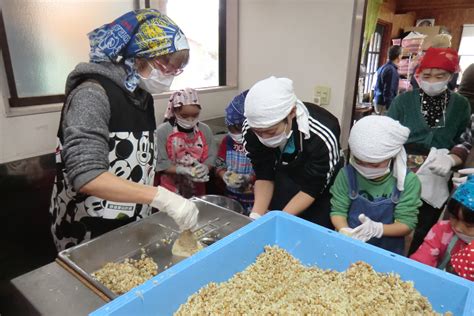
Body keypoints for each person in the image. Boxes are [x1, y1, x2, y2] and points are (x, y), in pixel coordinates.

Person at [49, 9, 198, 251]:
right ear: (140, 56)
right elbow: (87, 175)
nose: (169, 75)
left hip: (129, 222)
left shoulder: (142, 97)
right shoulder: (92, 93)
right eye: (166, 66)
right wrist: (162, 197)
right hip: (87, 228)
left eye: (176, 69)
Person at [387, 47, 471, 255]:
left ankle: (418, 257)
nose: (432, 81)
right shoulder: (404, 101)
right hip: (403, 165)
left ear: (451, 76)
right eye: (426, 76)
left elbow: (465, 139)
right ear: (418, 76)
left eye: (440, 76)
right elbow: (387, 133)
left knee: (424, 223)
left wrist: (452, 159)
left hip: (438, 170)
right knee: (395, 213)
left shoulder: (460, 105)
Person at [242, 76, 342, 227]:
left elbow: (312, 188)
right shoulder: (251, 128)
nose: (263, 137)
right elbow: (264, 174)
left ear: (292, 112)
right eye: (258, 132)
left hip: (316, 193)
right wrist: (256, 216)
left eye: (270, 132)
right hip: (282, 180)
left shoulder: (322, 134)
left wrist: (279, 219)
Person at [330, 116, 421, 255]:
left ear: (392, 155)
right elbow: (338, 210)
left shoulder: (408, 182)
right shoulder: (347, 175)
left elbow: (406, 224)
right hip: (351, 246)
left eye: (374, 164)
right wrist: (345, 231)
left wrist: (377, 229)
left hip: (387, 250)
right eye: (359, 161)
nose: (365, 167)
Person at [410, 176, 474, 281]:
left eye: (468, 225)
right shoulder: (443, 230)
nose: (458, 227)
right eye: (454, 218)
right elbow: (421, 261)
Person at [156, 88, 216, 198]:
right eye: (184, 116)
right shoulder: (162, 131)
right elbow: (160, 163)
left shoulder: (205, 130)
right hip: (170, 188)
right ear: (175, 111)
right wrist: (182, 170)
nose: (190, 120)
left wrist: (205, 167)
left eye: (195, 115)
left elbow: (211, 156)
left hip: (197, 185)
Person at [215, 90, 255, 214]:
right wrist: (224, 175)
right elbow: (219, 164)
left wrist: (249, 178)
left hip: (254, 197)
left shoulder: (259, 143)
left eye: (237, 130)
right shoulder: (227, 141)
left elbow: (268, 172)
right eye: (230, 129)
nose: (234, 134)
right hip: (231, 196)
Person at [373, 45, 402, 114]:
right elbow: (389, 91)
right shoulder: (391, 70)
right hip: (384, 105)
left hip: (378, 101)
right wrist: (391, 108)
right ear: (398, 57)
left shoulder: (383, 67)